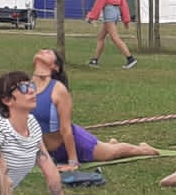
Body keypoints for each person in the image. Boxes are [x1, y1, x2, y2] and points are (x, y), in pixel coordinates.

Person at [29, 48, 161, 168]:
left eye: (47, 52)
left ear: (55, 67)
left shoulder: (58, 90)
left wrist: (73, 162)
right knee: (107, 149)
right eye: (42, 50)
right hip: (50, 150)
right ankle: (111, 144)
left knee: (111, 153)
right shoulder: (28, 87)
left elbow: (66, 128)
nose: (42, 51)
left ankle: (144, 149)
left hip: (76, 143)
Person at [85, 0, 136, 69]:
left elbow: (100, 1)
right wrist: (126, 19)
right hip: (116, 12)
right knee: (101, 37)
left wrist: (92, 16)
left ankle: (130, 58)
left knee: (115, 37)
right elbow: (123, 3)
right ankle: (94, 60)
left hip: (109, 11)